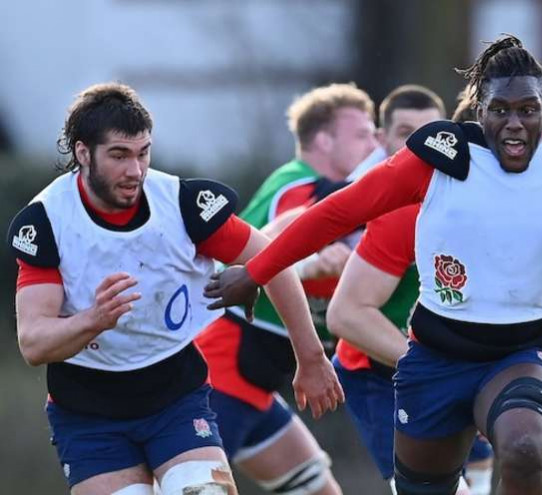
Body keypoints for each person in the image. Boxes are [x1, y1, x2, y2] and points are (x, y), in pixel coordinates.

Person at [205, 35, 542, 495]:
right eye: (500, 110)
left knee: (522, 450)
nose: (514, 123)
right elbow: (340, 211)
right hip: (437, 356)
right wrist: (254, 271)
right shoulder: (441, 160)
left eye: (527, 110)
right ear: (480, 112)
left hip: (524, 349)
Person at [8, 82, 343, 495]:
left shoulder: (182, 203)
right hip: (89, 414)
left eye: (142, 152)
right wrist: (93, 319)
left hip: (175, 397)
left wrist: (309, 358)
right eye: (118, 155)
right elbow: (33, 343)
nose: (135, 170)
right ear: (82, 153)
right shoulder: (46, 221)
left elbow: (273, 261)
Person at [194, 82, 376, 494]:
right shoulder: (302, 188)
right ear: (325, 140)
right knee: (195, 486)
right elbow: (270, 248)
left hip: (259, 384)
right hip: (223, 370)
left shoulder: (338, 197)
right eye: (362, 134)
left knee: (317, 487)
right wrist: (312, 262)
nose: (374, 145)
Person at [326, 85, 492, 494]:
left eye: (428, 131)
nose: (420, 146)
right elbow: (345, 313)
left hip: (459, 366)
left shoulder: (504, 202)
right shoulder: (401, 209)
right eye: (405, 133)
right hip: (380, 374)